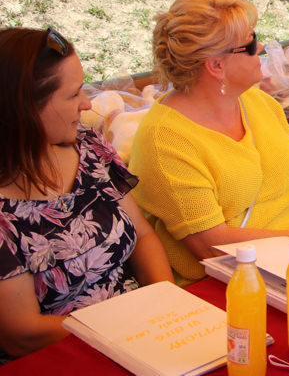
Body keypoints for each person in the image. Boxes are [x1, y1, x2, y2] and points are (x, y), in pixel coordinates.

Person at [129, 0, 289, 284]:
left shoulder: (259, 103)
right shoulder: (165, 141)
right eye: (251, 44)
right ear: (216, 66)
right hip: (230, 283)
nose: (261, 50)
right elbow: (212, 245)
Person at [0, 28, 173, 360]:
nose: (87, 103)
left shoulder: (87, 145)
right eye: (72, 94)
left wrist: (166, 302)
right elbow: (20, 333)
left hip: (144, 331)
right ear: (24, 110)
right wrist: (122, 330)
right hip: (68, 352)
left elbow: (142, 236)